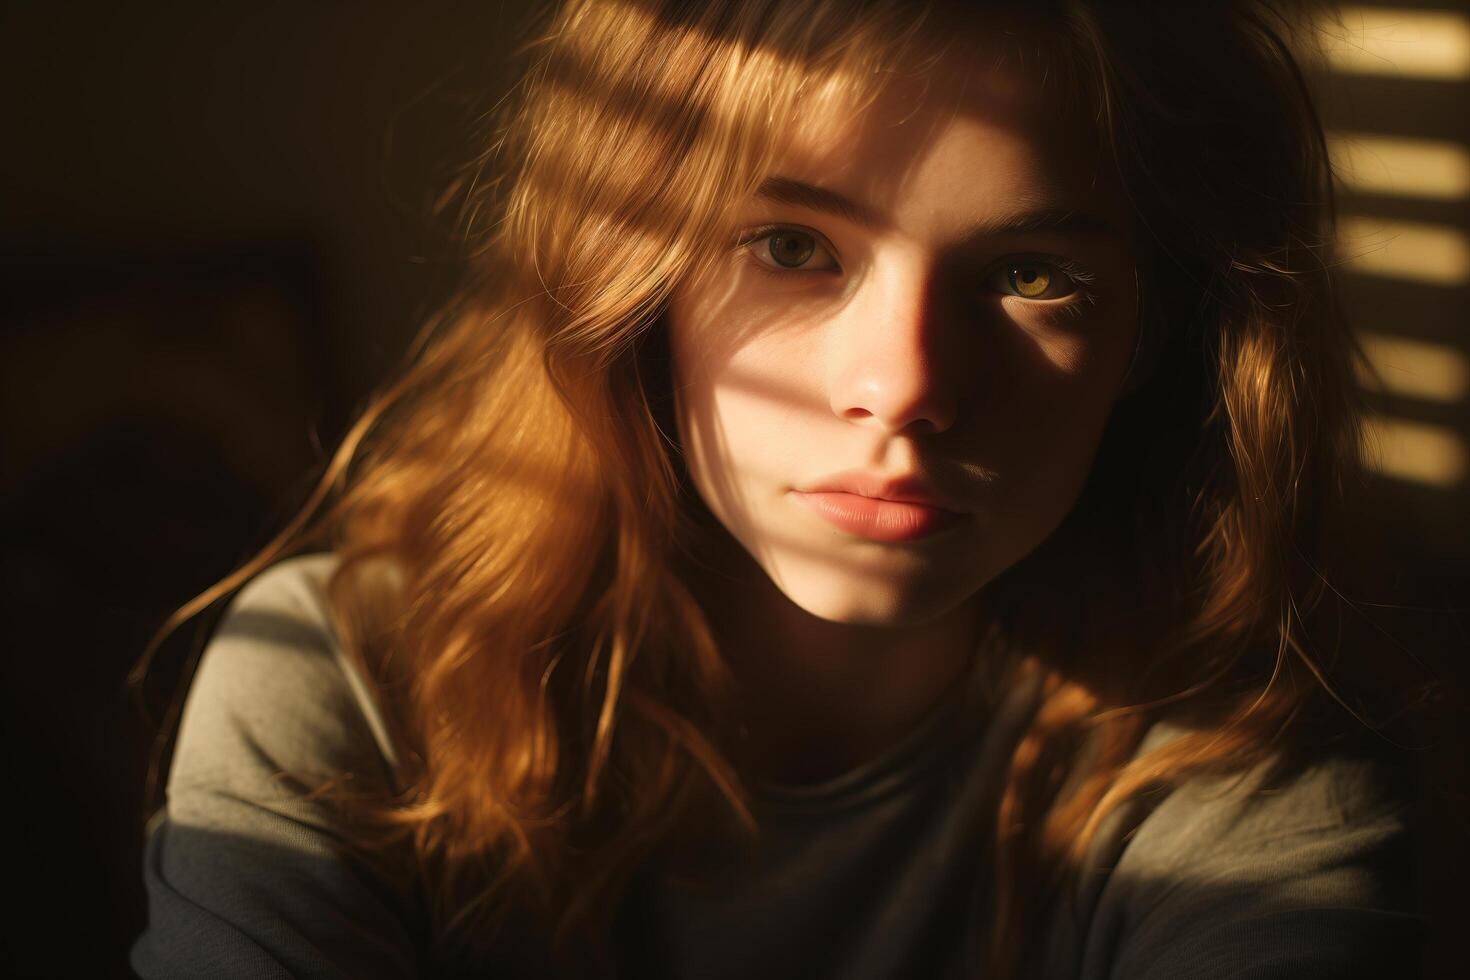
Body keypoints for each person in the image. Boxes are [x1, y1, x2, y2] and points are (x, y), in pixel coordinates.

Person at [129, 1, 1424, 976]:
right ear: (636, 285)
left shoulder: (1226, 742)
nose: (906, 386)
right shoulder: (350, 688)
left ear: (1154, 335)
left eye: (1034, 275)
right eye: (792, 247)